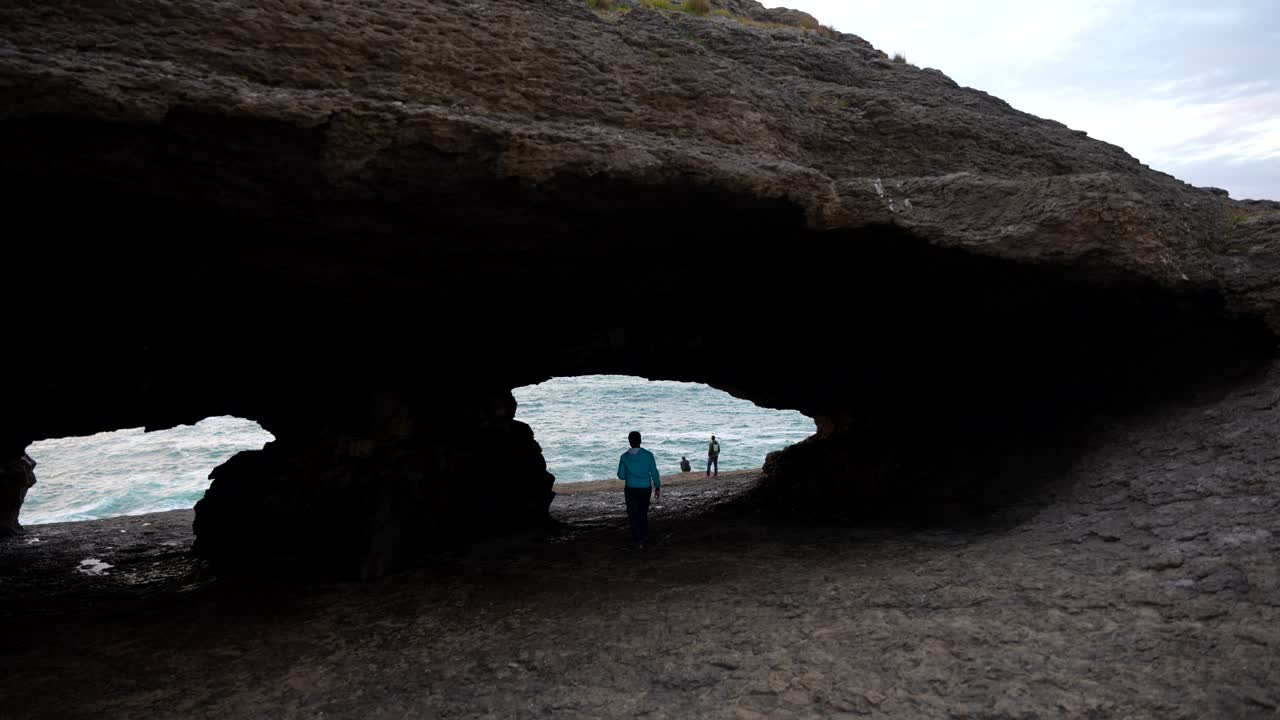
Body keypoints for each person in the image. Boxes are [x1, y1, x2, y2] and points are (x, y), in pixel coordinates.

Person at [617, 431, 661, 549]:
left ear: (629, 442)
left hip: (631, 488)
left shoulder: (624, 457)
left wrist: (631, 475)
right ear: (640, 441)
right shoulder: (648, 455)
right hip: (645, 488)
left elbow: (621, 475)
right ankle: (644, 537)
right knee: (643, 513)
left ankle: (637, 541)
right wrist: (657, 486)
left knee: (633, 515)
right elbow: (654, 472)